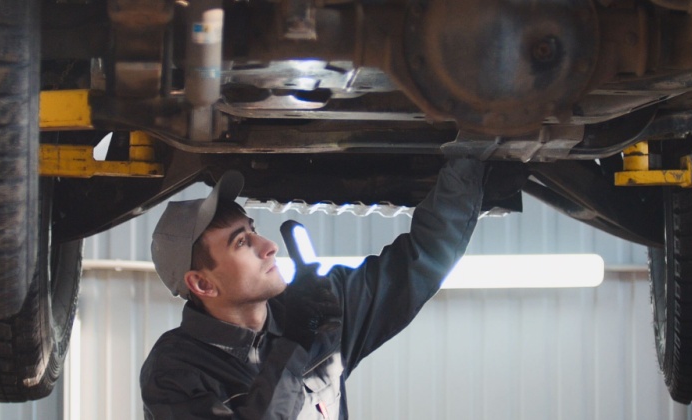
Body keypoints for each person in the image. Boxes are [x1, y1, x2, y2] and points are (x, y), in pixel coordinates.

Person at [141, 158, 486, 419]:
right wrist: (293, 343)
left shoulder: (318, 308)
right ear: (202, 283)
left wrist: (468, 156)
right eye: (242, 242)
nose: (269, 245)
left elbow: (420, 260)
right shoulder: (174, 373)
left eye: (254, 228)